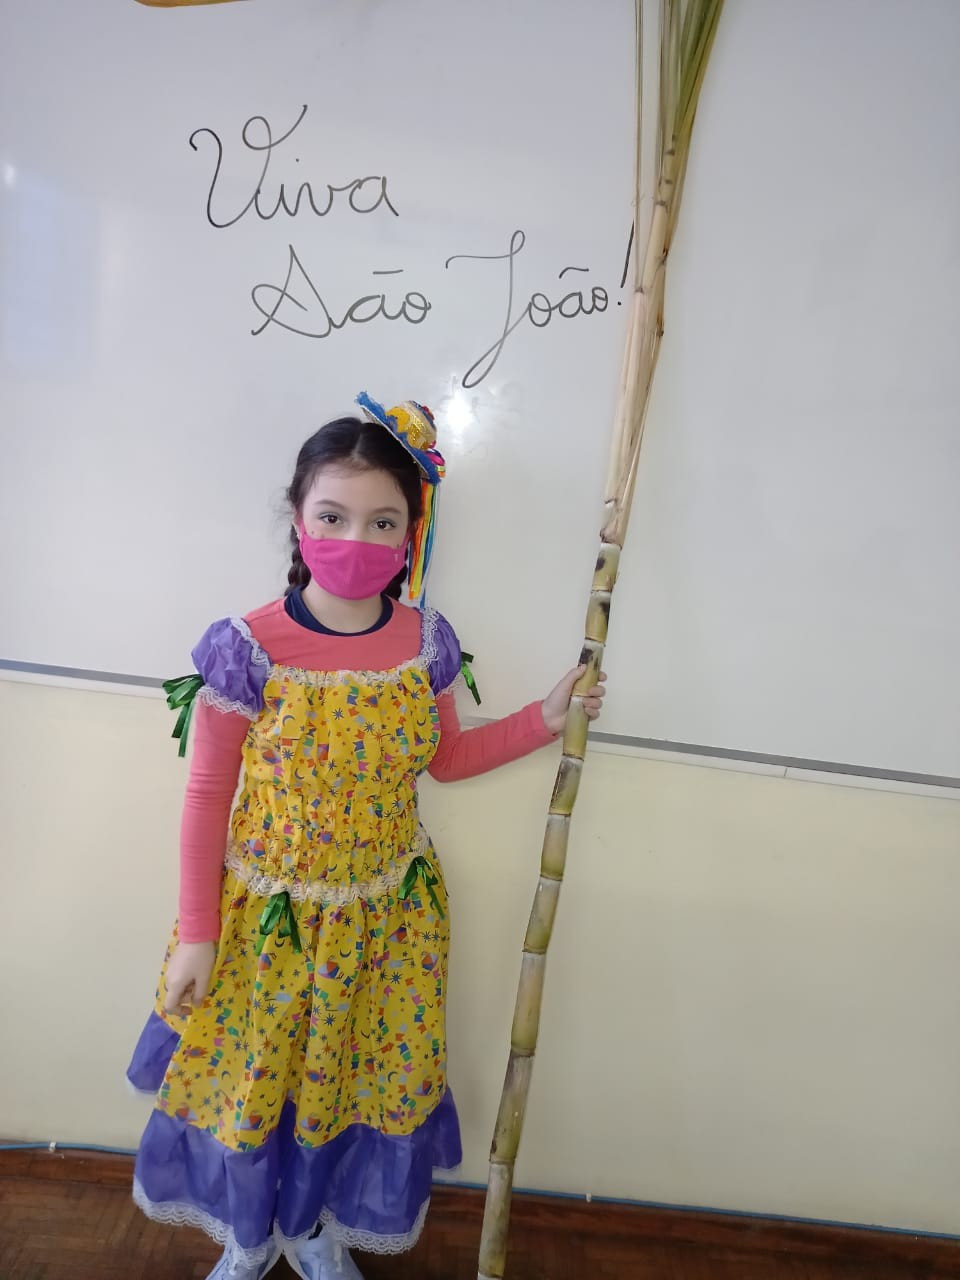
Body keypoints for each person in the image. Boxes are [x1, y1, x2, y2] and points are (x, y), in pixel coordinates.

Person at [126, 394, 606, 1279]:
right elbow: (207, 796)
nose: (357, 538)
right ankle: (249, 1236)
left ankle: (316, 1229)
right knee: (258, 1082)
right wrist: (197, 931)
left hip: (387, 923)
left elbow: (448, 760)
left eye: (383, 521)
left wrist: (541, 720)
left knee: (345, 1083)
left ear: (410, 533)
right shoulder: (248, 647)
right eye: (333, 515)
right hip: (267, 927)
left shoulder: (426, 643)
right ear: (298, 517)